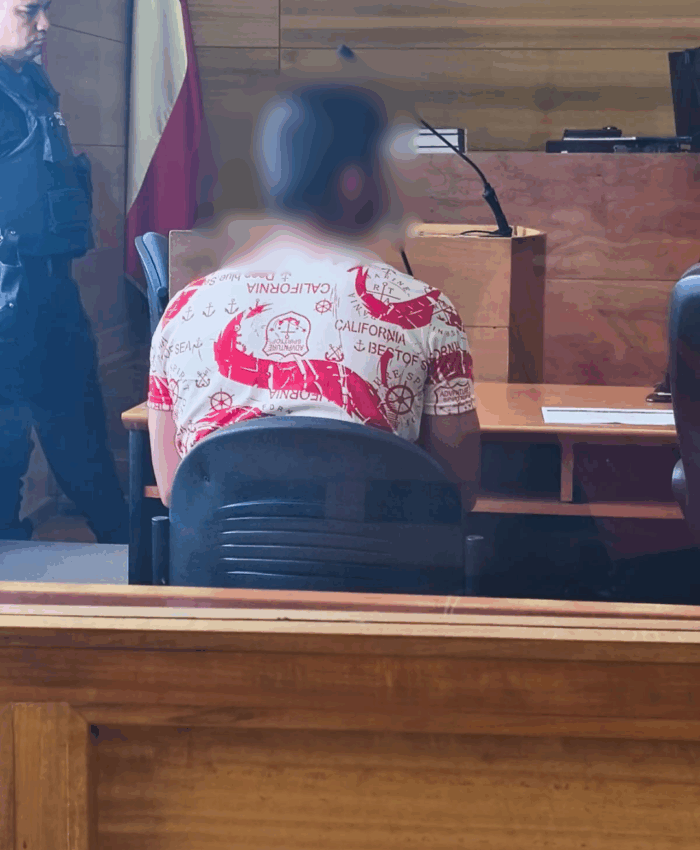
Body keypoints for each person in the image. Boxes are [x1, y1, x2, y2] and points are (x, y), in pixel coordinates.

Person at [148, 67, 480, 511]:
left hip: (221, 557)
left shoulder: (183, 310)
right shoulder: (427, 311)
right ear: (354, 183)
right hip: (373, 556)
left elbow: (174, 491)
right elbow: (458, 492)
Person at [0, 0, 128, 542]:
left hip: (49, 285)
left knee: (79, 431)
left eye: (45, 10)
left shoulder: (30, 82)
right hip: (8, 291)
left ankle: (131, 559)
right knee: (6, 442)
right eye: (27, 11)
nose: (44, 24)